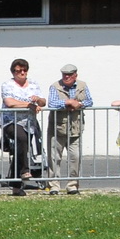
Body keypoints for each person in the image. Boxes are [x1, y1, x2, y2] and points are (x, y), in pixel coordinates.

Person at [0, 58, 46, 195]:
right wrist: (29, 105)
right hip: (10, 121)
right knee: (22, 139)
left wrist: (38, 100)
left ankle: (16, 187)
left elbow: (43, 102)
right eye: (19, 71)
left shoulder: (33, 84)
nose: (22, 73)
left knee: (20, 150)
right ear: (13, 72)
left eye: (24, 70)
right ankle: (25, 170)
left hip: (28, 123)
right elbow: (9, 102)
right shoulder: (7, 85)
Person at [45, 64, 91, 193]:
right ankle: (54, 186)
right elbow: (52, 103)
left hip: (75, 128)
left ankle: (72, 185)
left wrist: (79, 104)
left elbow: (89, 101)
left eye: (70, 75)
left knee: (75, 157)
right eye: (64, 74)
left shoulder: (82, 85)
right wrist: (67, 102)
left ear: (75, 75)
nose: (66, 77)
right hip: (57, 128)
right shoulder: (55, 86)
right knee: (54, 158)